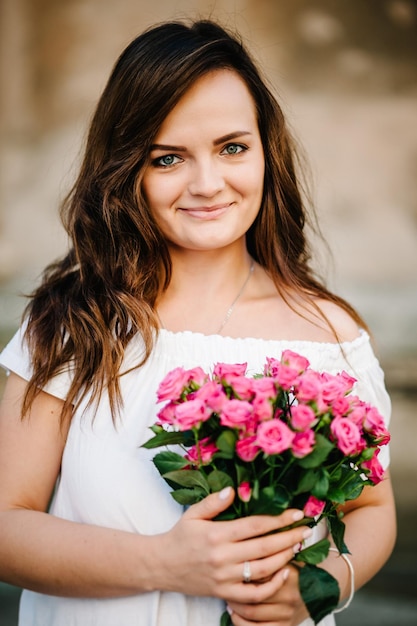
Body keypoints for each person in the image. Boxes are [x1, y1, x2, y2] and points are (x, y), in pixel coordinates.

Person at [0, 19, 396, 626]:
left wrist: (318, 588)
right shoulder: (73, 322)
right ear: (128, 168)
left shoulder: (327, 335)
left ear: (267, 152)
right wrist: (165, 564)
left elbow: (372, 509)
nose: (207, 184)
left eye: (232, 147)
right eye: (168, 158)